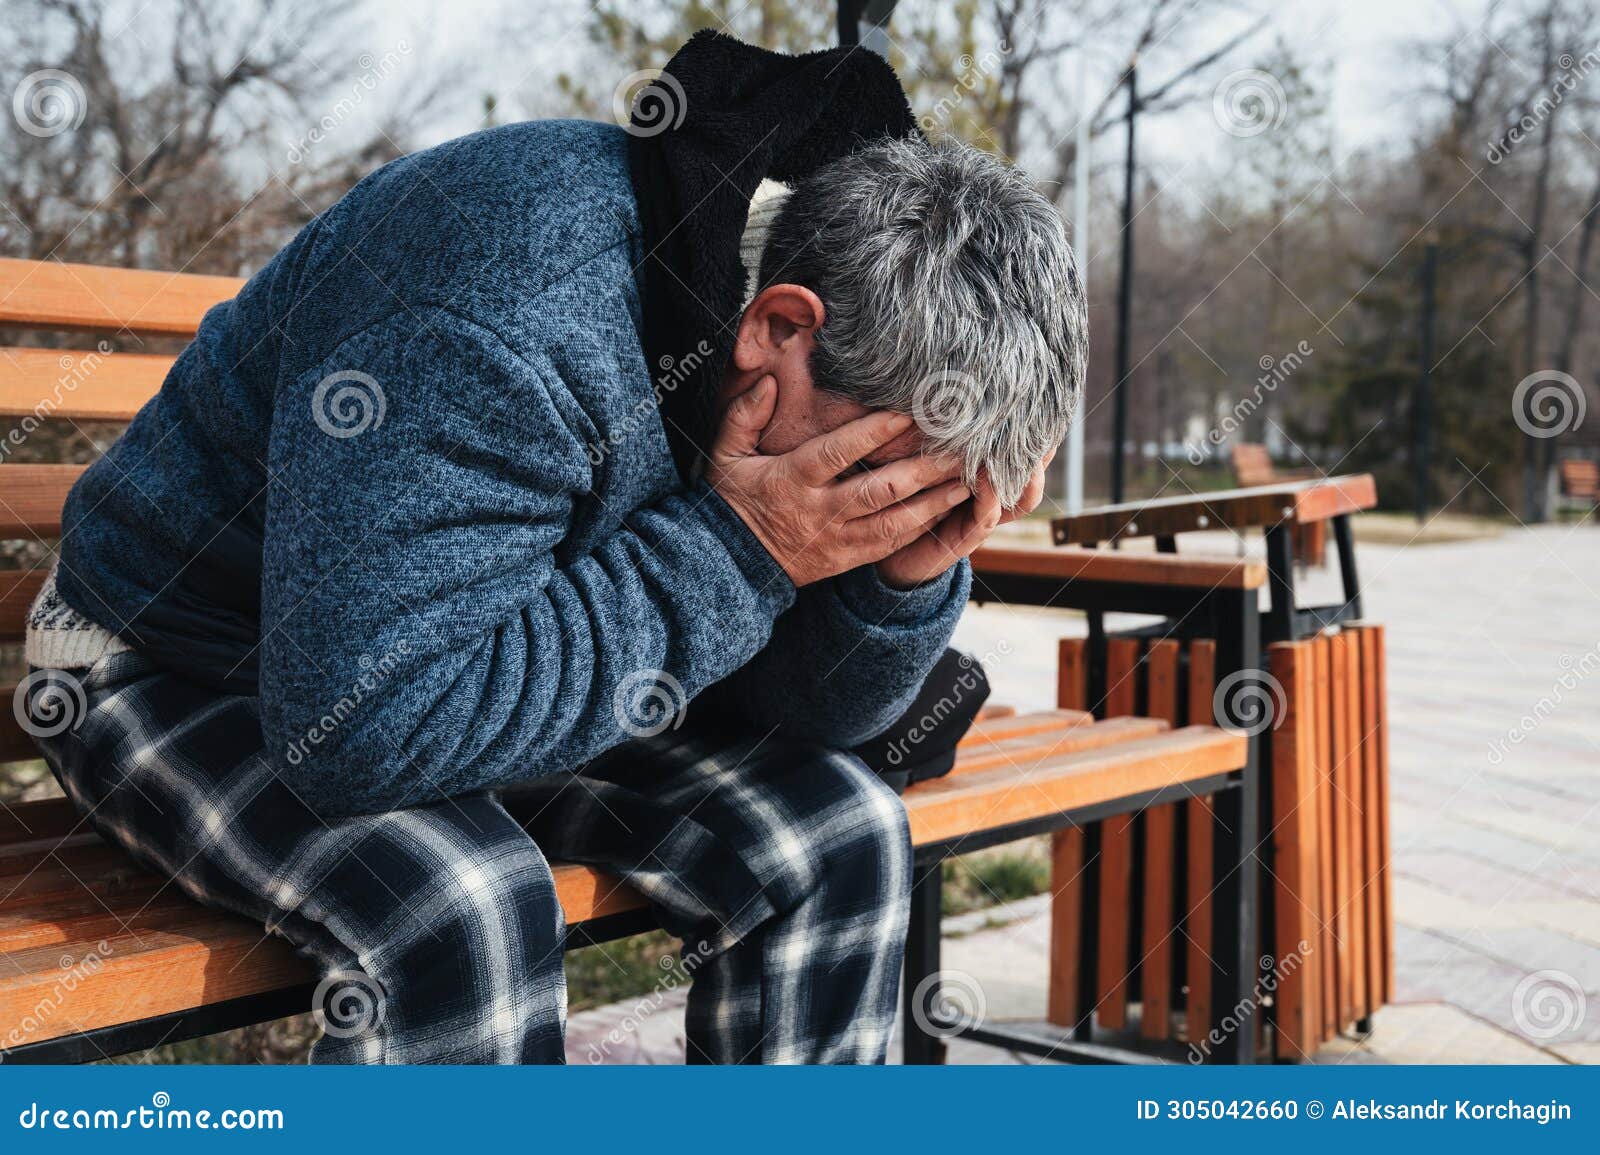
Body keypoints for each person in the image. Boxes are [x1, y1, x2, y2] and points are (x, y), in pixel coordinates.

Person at [24, 32, 1085, 1064]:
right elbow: (365, 727)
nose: (879, 507)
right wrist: (742, 547)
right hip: (192, 660)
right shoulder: (503, 304)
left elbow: (813, 718)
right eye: (879, 476)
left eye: (924, 499)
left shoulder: (820, 354)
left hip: (499, 658)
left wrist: (903, 580)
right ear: (777, 328)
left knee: (845, 831)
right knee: (468, 907)